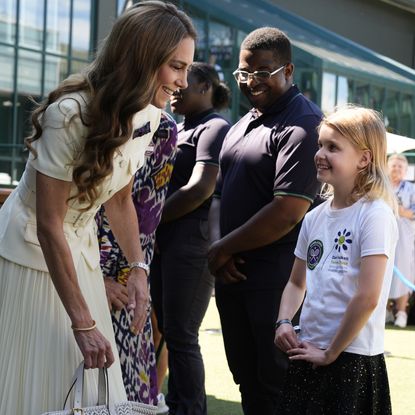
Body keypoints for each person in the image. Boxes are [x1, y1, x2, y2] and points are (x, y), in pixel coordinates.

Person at [0, 2, 195, 414]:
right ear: (143, 59)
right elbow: (49, 225)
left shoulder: (152, 120)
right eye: (175, 67)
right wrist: (83, 323)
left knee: (87, 391)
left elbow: (120, 199)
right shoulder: (68, 116)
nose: (183, 81)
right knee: (36, 381)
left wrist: (138, 268)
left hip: (83, 257)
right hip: (29, 257)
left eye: (188, 69)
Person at [207, 27, 323, 415]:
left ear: (287, 70)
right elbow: (220, 197)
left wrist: (223, 248)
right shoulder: (241, 125)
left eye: (262, 72)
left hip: (275, 279)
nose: (251, 81)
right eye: (244, 73)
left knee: (279, 384)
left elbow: (288, 211)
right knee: (247, 378)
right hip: (232, 274)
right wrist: (222, 253)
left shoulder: (304, 124)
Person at [274, 106, 398, 414]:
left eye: (334, 147)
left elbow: (367, 296)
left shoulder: (375, 215)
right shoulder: (315, 217)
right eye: (320, 144)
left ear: (364, 159)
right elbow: (295, 282)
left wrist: (331, 352)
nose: (320, 154)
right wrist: (284, 321)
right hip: (309, 351)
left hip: (352, 358)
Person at [150, 62, 231, 415]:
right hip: (163, 240)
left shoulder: (215, 127)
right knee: (168, 328)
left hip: (191, 242)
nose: (177, 86)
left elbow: (201, 187)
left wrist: (151, 220)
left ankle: (189, 409)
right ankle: (174, 404)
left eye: (186, 81)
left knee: (181, 333)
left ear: (206, 87)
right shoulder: (176, 126)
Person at [96, 111, 178, 409]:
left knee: (129, 390)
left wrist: (134, 274)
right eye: (174, 67)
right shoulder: (90, 114)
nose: (181, 82)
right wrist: (92, 278)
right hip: (70, 275)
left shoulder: (163, 129)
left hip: (127, 283)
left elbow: (145, 218)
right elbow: (55, 217)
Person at [386, 153, 415, 328]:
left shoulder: (411, 188)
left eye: (400, 166)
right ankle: (386, 311)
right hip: (384, 231)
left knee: (403, 270)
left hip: (404, 235)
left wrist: (400, 210)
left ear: (405, 170)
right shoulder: (381, 186)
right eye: (393, 165)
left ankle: (401, 312)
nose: (396, 169)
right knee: (382, 269)